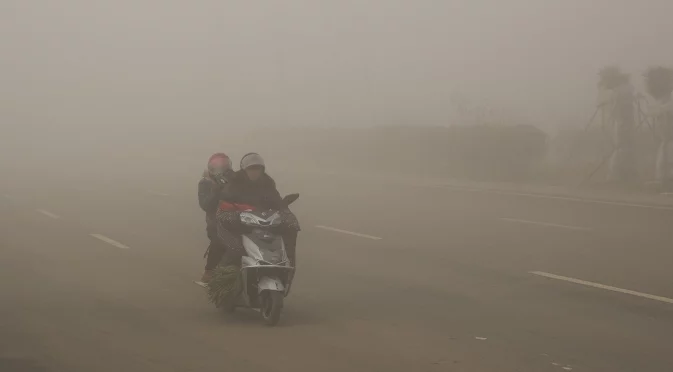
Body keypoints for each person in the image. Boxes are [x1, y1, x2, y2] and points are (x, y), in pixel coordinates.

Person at [228, 152, 300, 267]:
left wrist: (285, 209)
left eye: (258, 169)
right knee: (232, 246)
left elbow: (276, 200)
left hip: (265, 219)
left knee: (290, 229)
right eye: (251, 169)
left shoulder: (267, 181)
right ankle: (225, 274)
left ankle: (288, 265)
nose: (255, 172)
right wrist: (233, 213)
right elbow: (225, 200)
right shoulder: (234, 181)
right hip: (240, 220)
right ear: (244, 170)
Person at [198, 152, 235, 283]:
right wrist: (217, 190)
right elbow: (206, 205)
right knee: (218, 240)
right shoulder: (205, 183)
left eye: (224, 166)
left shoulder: (236, 180)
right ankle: (209, 271)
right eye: (217, 167)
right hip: (215, 220)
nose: (221, 170)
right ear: (210, 168)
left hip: (236, 218)